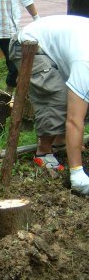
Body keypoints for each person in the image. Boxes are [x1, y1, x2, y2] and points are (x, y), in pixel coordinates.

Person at [8, 15, 89, 196]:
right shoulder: (86, 63)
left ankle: (61, 142)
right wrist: (76, 172)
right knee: (57, 97)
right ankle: (43, 152)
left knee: (80, 98)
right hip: (28, 45)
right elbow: (75, 120)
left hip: (55, 48)